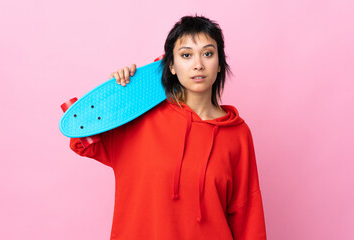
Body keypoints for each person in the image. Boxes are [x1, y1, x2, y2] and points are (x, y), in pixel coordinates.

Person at [69, 15, 267, 240]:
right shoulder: (140, 116)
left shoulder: (237, 133)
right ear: (170, 65)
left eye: (208, 53)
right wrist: (118, 96)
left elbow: (247, 215)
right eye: (186, 55)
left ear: (220, 63)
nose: (198, 64)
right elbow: (80, 139)